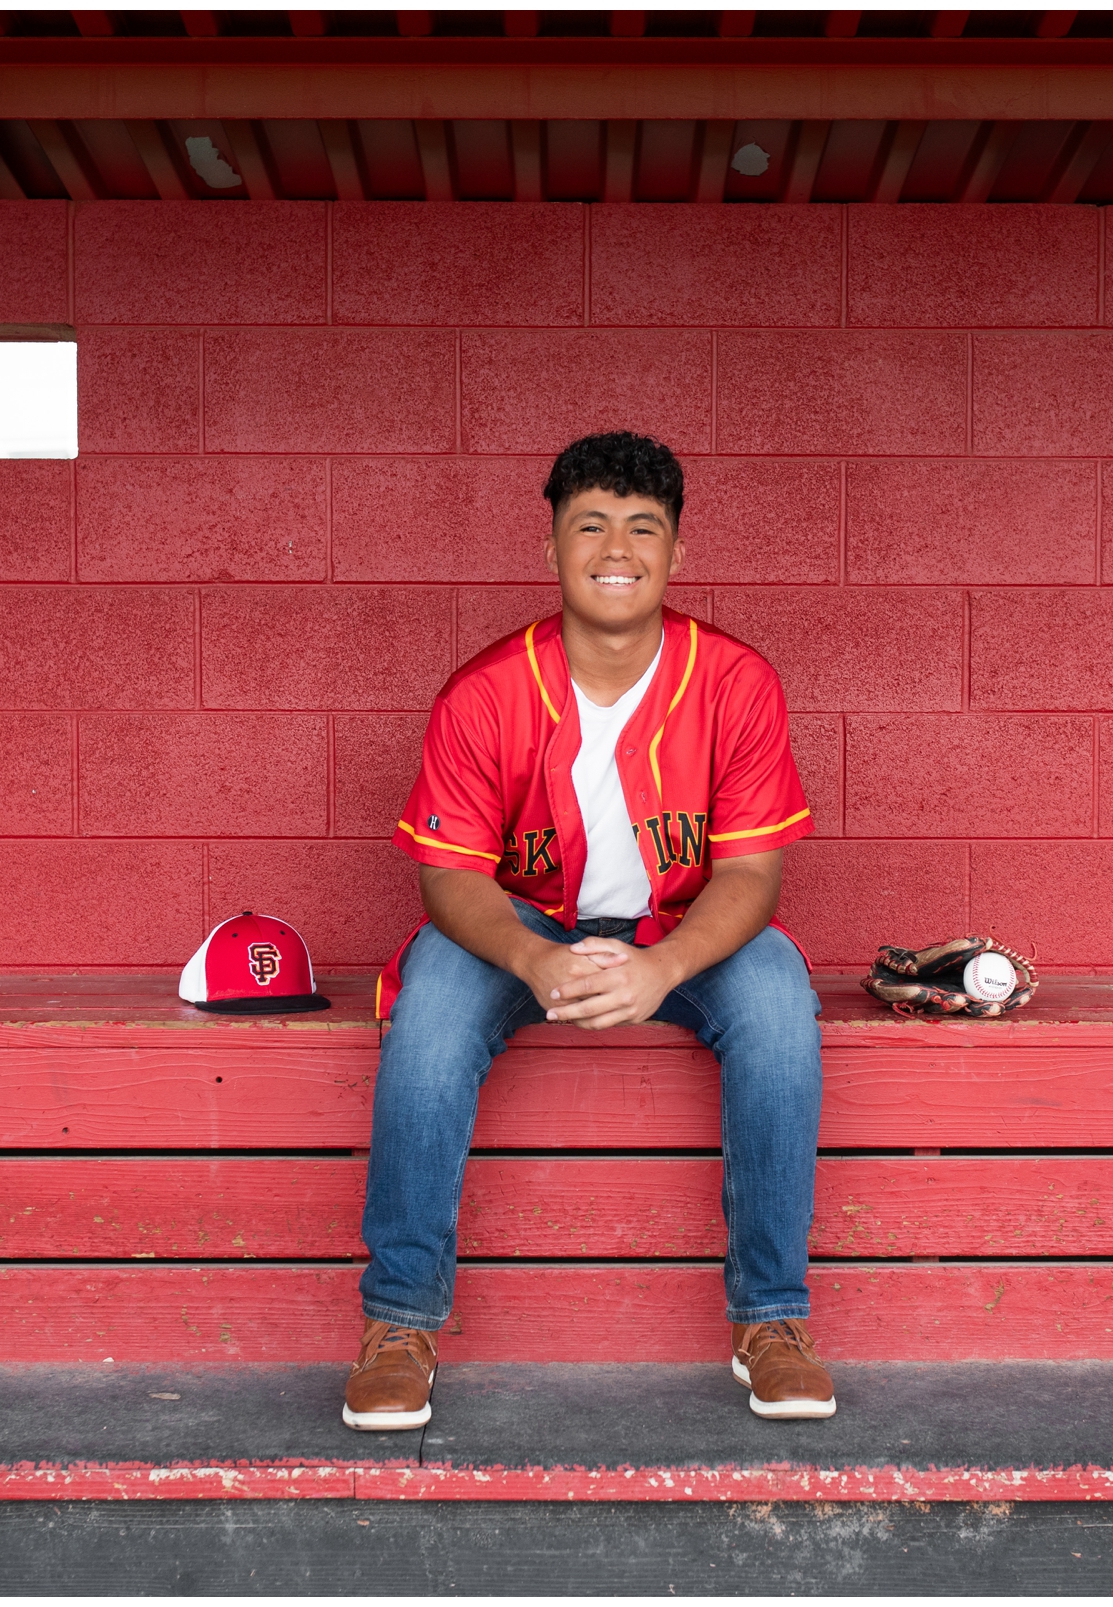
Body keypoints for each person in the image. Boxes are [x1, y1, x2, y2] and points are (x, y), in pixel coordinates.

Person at [344, 430, 830, 1431]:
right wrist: (532, 957)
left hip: (678, 927)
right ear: (555, 545)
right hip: (524, 925)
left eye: (644, 526)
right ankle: (398, 1322)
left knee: (780, 1000)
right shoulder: (484, 691)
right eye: (592, 524)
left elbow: (750, 874)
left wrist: (664, 966)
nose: (618, 547)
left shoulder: (734, 680)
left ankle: (771, 1319)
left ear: (678, 552)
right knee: (431, 1012)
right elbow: (452, 880)